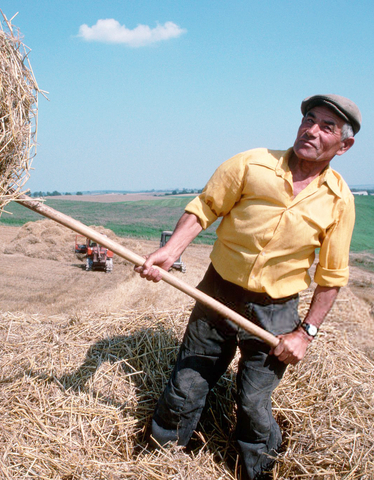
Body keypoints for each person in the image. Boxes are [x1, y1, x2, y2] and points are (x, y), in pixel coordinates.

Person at [135, 94, 361, 480]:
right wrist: (170, 251)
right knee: (188, 384)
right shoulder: (251, 164)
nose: (311, 130)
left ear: (344, 146)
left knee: (255, 401)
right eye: (309, 119)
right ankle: (160, 459)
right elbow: (205, 206)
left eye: (327, 127)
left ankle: (256, 470)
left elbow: (331, 277)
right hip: (218, 294)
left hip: (276, 310)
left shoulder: (339, 201)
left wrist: (305, 333)